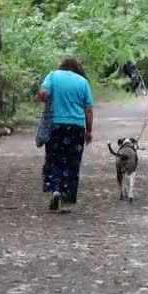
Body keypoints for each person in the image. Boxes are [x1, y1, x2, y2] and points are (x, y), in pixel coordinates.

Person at [37, 58, 94, 211]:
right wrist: (89, 130)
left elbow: (43, 93)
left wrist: (46, 98)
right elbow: (88, 110)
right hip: (76, 127)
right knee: (71, 162)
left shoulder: (53, 76)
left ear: (61, 66)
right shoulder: (83, 82)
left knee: (54, 158)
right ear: (76, 68)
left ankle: (55, 190)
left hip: (55, 125)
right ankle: (65, 195)